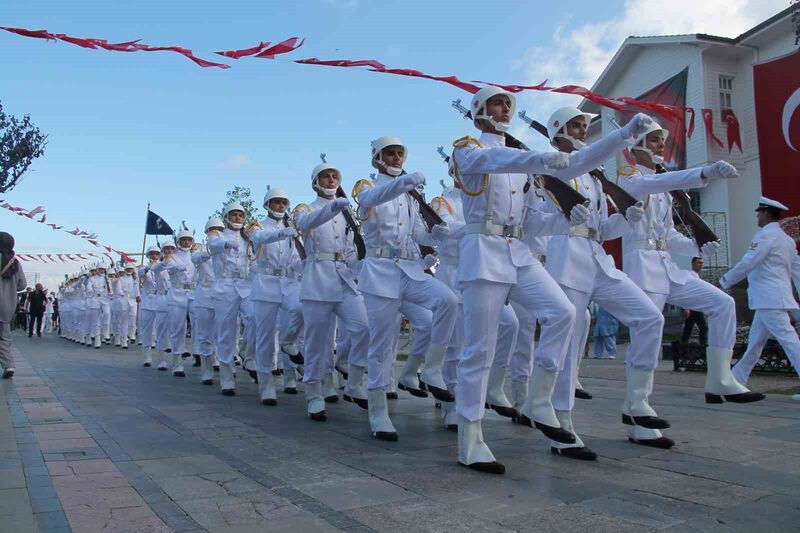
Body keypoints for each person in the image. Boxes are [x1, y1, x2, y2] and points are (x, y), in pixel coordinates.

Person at [617, 118, 763, 416]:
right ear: (639, 144)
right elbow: (653, 182)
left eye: (661, 139)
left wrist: (696, 245)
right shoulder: (630, 178)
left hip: (666, 266)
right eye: (655, 139)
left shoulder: (661, 185)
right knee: (648, 335)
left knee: (722, 303)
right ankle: (636, 406)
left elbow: (668, 234)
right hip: (643, 267)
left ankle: (719, 380)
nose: (661, 145)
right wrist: (702, 173)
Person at [353, 137, 459, 441]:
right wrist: (404, 184)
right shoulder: (367, 185)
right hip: (380, 272)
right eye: (391, 152)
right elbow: (369, 201)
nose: (397, 157)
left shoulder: (412, 195)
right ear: (377, 156)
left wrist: (434, 234)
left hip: (409, 270)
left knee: (447, 300)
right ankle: (378, 411)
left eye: (400, 153)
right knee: (382, 343)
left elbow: (416, 232)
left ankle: (432, 369)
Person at [296, 163, 369, 422]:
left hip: (344, 278)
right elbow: (305, 223)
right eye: (325, 176)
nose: (331, 180)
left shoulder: (346, 212)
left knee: (363, 327)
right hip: (317, 279)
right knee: (317, 343)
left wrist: (360, 268)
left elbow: (349, 248)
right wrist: (332, 207)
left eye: (335, 176)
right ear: (315, 181)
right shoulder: (306, 208)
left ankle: (354, 379)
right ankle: (314, 394)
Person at [727, 197, 800, 388]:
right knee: (755, 344)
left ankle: (734, 380)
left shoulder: (765, 236)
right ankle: (735, 380)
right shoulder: (786, 240)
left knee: (790, 342)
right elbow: (797, 270)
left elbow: (749, 262)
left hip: (769, 299)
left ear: (766, 214)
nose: (757, 216)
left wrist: (724, 281)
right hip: (772, 299)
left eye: (759, 213)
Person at [0, 232, 26, 378]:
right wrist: (10, 288)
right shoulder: (15, 262)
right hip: (8, 305)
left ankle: (8, 365)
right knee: (4, 336)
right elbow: (22, 284)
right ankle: (9, 365)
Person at [681, 257, 709, 345]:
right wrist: (686, 308)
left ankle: (682, 347)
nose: (701, 265)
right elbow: (686, 291)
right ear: (693, 264)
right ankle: (703, 348)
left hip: (695, 305)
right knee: (704, 327)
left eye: (702, 263)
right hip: (693, 306)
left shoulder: (697, 275)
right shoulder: (690, 275)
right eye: (699, 263)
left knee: (688, 328)